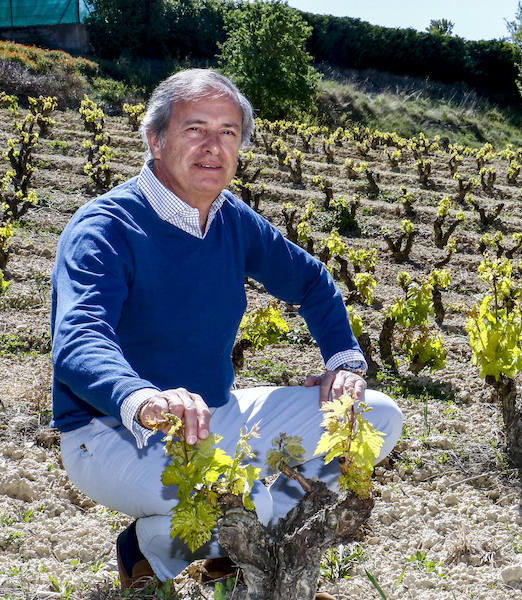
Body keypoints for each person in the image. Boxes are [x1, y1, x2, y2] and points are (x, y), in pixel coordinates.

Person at [50, 68, 402, 595]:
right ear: (155, 138)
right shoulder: (104, 227)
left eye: (229, 132)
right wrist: (142, 396)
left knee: (373, 419)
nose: (214, 146)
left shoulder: (230, 219)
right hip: (112, 435)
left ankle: (234, 559)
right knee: (247, 497)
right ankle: (147, 551)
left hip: (217, 415)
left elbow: (312, 281)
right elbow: (79, 336)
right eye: (195, 129)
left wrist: (344, 363)